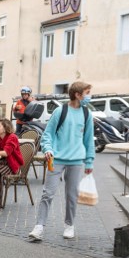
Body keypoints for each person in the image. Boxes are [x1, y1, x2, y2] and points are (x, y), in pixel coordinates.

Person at [28, 81, 95, 242]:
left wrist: (89, 162)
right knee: (47, 193)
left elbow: (89, 140)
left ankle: (69, 225)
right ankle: (39, 227)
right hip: (56, 159)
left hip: (76, 161)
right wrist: (48, 149)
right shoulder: (60, 111)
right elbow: (47, 135)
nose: (89, 96)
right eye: (87, 93)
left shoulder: (87, 114)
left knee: (72, 195)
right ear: (78, 95)